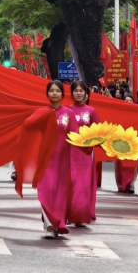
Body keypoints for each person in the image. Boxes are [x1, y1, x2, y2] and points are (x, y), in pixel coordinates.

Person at [38, 80, 78, 238]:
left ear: (62, 94)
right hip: (45, 159)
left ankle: (59, 222)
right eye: (51, 91)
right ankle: (49, 225)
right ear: (47, 93)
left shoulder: (69, 114)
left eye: (57, 91)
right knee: (45, 191)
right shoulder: (41, 113)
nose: (54, 93)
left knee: (60, 193)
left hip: (63, 159)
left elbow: (75, 136)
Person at [67, 81, 98, 226]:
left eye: (81, 91)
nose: (78, 93)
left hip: (86, 153)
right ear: (71, 93)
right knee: (71, 183)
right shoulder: (67, 110)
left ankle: (83, 213)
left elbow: (98, 132)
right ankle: (69, 212)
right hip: (70, 152)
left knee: (84, 184)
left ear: (86, 93)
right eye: (75, 91)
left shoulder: (91, 111)